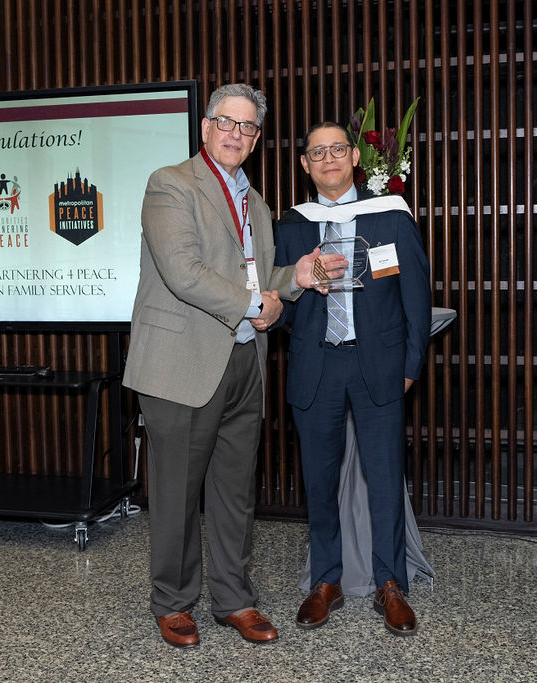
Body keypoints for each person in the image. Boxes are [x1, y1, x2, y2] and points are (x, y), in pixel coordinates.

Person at [122, 84, 345, 648]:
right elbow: (184, 272)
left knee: (234, 492)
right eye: (226, 121)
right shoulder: (170, 184)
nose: (235, 133)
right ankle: (172, 603)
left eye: (247, 127)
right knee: (176, 491)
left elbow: (259, 280)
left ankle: (234, 599)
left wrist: (296, 277)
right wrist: (257, 303)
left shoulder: (258, 204)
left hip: (245, 358)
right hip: (182, 363)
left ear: (256, 139)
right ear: (204, 127)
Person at [273, 122, 432, 637]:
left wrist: (410, 366)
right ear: (305, 164)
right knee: (318, 481)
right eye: (316, 152)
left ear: (354, 157)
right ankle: (326, 580)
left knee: (384, 478)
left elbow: (416, 297)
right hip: (317, 363)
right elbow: (282, 308)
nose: (328, 159)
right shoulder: (293, 226)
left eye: (337, 149)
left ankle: (391, 584)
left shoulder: (389, 216)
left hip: (378, 366)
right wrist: (302, 288)